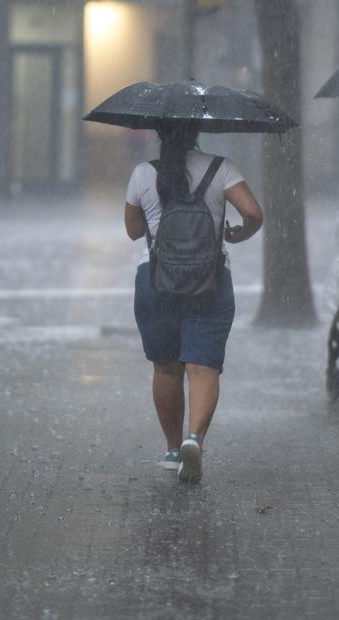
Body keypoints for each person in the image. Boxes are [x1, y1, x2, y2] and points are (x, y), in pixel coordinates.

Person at [124, 121, 263, 483]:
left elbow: (133, 230)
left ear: (160, 134)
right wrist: (236, 233)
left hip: (156, 280)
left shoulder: (143, 173)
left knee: (166, 368)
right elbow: (254, 213)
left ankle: (172, 451)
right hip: (210, 280)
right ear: (195, 132)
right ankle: (194, 439)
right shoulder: (221, 168)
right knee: (203, 368)